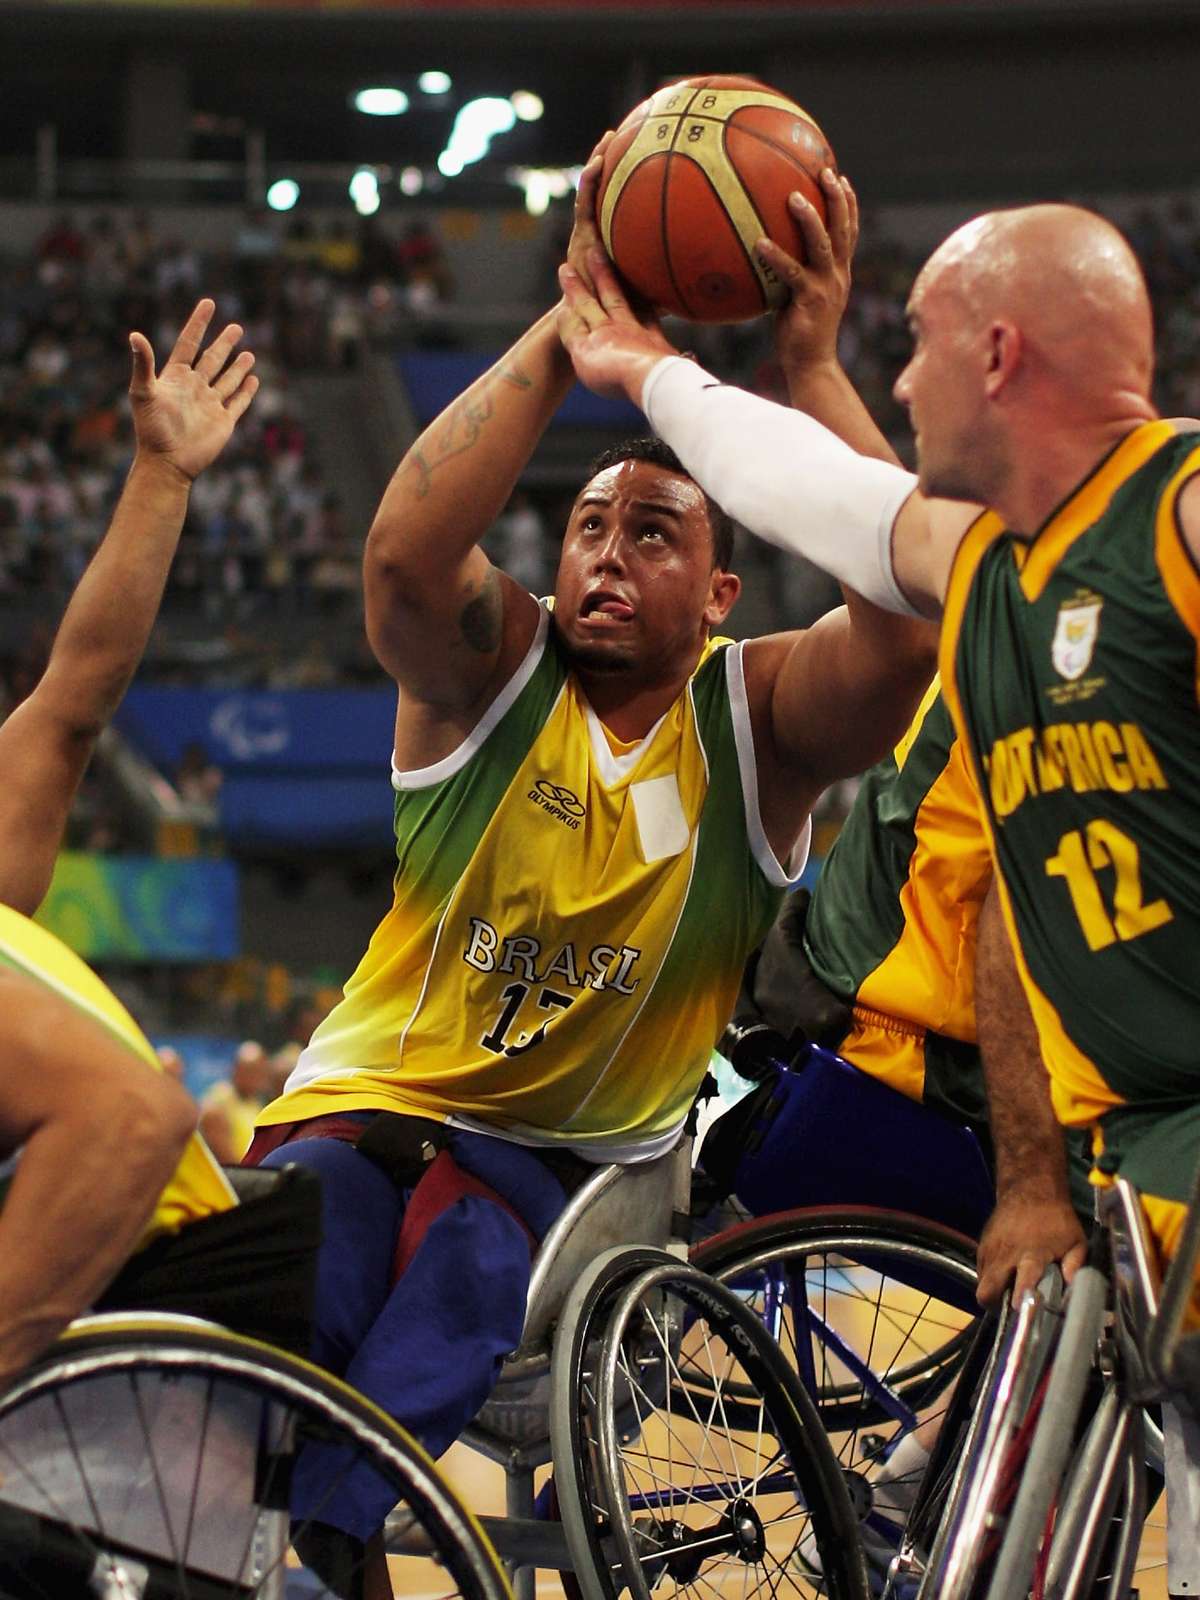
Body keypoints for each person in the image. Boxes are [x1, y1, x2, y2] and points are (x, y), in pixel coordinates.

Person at [243, 172, 938, 1564]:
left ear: (724, 595)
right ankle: (267, 1533)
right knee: (308, 1244)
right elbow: (399, 557)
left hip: (564, 1172)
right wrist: (560, 336)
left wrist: (808, 370)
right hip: (358, 1105)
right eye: (589, 528)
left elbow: (915, 615)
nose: (607, 556)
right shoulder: (496, 671)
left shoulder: (757, 721)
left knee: (470, 1257)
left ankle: (326, 1541)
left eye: (654, 533)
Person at [558, 176, 1200, 1327]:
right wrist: (642, 367)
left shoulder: (1178, 510)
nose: (901, 380)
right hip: (1124, 1142)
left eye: (917, 344)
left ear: (998, 355)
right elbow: (811, 489)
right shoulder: (994, 564)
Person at [0, 299, 260, 1383]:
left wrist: (163, 476)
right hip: (144, 1280)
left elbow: (75, 698)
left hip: (187, 1263)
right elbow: (140, 1117)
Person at [199, 1039, 272, 1163]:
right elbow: (228, 1162)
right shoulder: (217, 1104)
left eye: (261, 1071)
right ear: (236, 1070)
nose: (258, 1078)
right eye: (252, 1071)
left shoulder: (256, 1102)